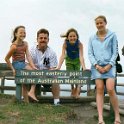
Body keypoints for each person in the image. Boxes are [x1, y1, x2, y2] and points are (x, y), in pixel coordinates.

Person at [88, 15, 121, 124]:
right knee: (100, 89)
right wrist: (97, 66)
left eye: (101, 23)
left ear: (105, 23)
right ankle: (100, 118)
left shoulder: (112, 35)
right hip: (96, 67)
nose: (99, 25)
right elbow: (90, 54)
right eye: (97, 23)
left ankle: (117, 116)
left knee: (111, 89)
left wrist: (109, 65)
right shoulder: (92, 38)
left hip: (110, 66)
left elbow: (115, 52)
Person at [5, 25, 38, 103]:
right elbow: (6, 58)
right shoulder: (14, 47)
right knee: (35, 74)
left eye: (24, 32)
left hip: (23, 63)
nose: (23, 34)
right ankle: (31, 92)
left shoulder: (25, 44)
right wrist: (13, 69)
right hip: (16, 64)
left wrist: (33, 66)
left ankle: (26, 102)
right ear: (16, 34)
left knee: (25, 83)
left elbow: (28, 56)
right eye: (21, 33)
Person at [30, 28, 60, 105]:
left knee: (55, 77)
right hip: (33, 76)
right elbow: (27, 64)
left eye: (45, 38)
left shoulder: (52, 52)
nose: (43, 40)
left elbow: (53, 68)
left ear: (48, 40)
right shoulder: (32, 50)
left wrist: (44, 73)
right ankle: (26, 98)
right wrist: (36, 72)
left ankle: (56, 101)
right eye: (41, 38)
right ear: (37, 39)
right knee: (26, 74)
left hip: (47, 77)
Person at [56, 28, 86, 99]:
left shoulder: (79, 44)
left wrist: (84, 67)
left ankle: (78, 90)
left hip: (77, 60)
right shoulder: (65, 44)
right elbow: (62, 55)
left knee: (77, 76)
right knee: (71, 76)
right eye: (70, 36)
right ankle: (72, 88)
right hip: (69, 60)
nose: (72, 38)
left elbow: (81, 56)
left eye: (74, 36)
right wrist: (58, 67)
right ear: (68, 37)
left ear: (77, 37)